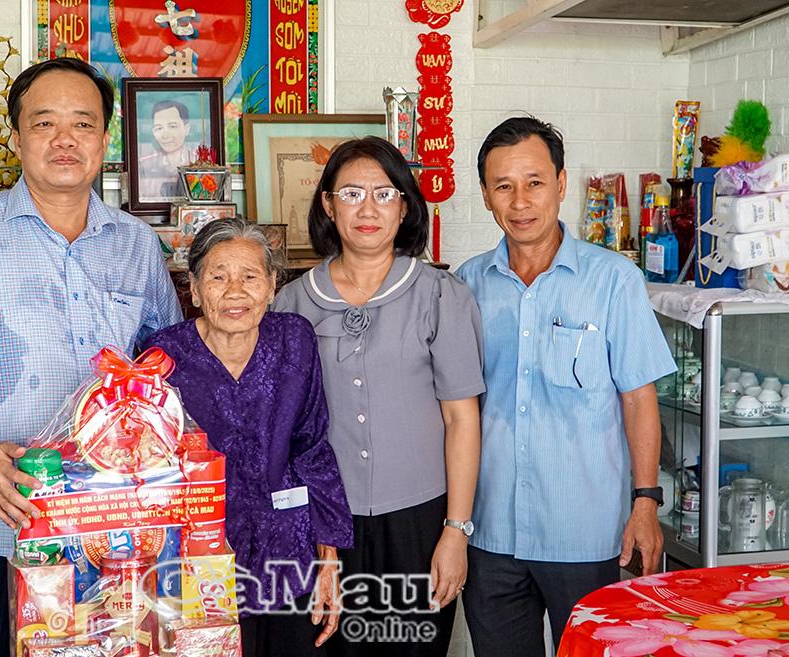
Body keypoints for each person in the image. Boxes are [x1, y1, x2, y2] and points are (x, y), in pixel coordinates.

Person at [0, 58, 183, 657]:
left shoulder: (136, 244)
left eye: (83, 123)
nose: (65, 139)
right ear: (18, 138)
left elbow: (165, 361)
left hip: (108, 523)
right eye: (45, 123)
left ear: (105, 140)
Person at [456, 116, 677, 656]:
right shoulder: (466, 285)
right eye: (503, 186)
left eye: (534, 182)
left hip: (586, 533)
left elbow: (638, 398)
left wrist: (645, 503)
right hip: (490, 532)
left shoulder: (614, 280)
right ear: (485, 195)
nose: (520, 202)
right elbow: (456, 409)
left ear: (560, 183)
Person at [274, 136, 484, 657]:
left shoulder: (441, 295)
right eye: (351, 194)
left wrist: (455, 532)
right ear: (328, 204)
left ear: (405, 206)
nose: (368, 209)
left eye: (384, 194)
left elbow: (462, 420)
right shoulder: (291, 304)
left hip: (420, 521)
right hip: (323, 526)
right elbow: (280, 428)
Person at [147, 218, 354, 657]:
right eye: (218, 277)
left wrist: (329, 555)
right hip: (198, 563)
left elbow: (312, 446)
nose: (235, 291)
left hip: (288, 552)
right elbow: (148, 469)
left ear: (272, 285)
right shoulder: (162, 356)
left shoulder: (294, 339)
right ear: (194, 289)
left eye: (250, 277)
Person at [138, 99, 197, 200]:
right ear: (153, 132)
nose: (165, 135)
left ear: (186, 129)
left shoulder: (199, 163)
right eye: (159, 128)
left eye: (172, 126)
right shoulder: (144, 165)